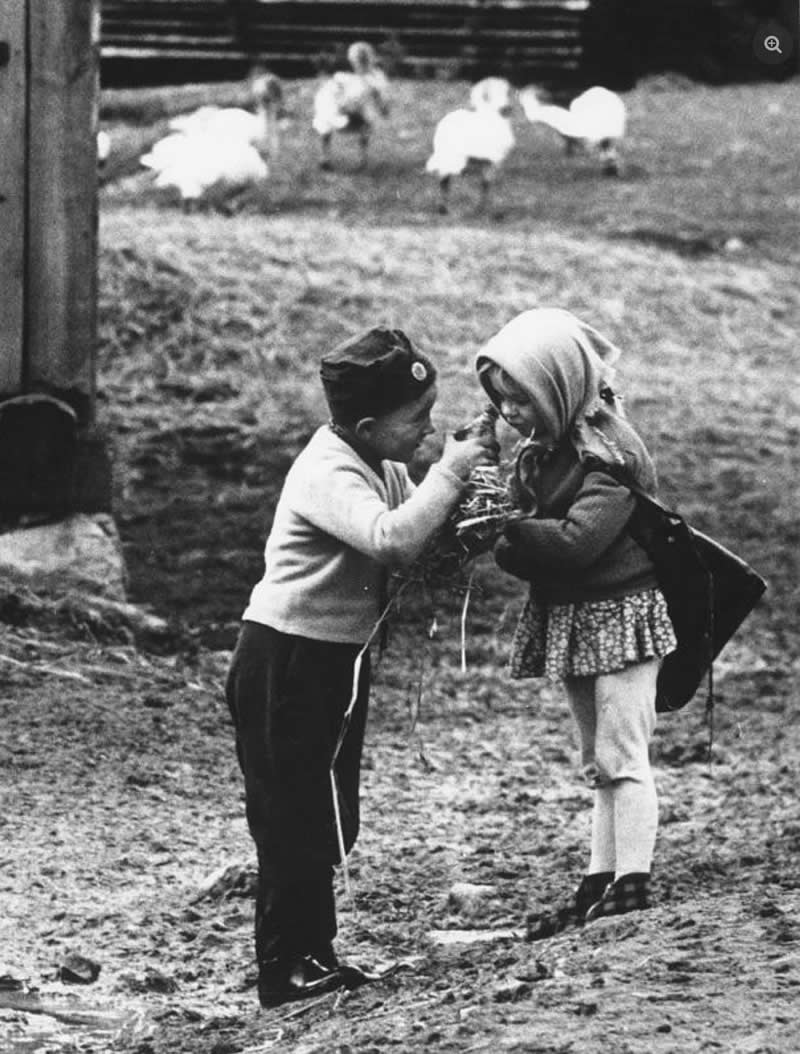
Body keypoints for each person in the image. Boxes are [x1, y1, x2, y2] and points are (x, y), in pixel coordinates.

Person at [225, 325, 496, 1007]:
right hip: (285, 657)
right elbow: (393, 539)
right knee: (290, 813)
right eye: (418, 421)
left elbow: (423, 539)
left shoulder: (381, 463)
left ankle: (315, 953)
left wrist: (475, 518)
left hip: (335, 661)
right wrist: (453, 475)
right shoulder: (327, 469)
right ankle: (284, 967)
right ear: (369, 424)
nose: (427, 433)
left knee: (328, 811)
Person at [475, 307, 677, 933]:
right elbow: (527, 551)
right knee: (597, 755)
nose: (512, 416)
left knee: (624, 751)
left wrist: (505, 527)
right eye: (503, 403)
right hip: (578, 616)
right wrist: (512, 532)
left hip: (623, 616)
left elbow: (573, 544)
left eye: (523, 402)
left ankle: (633, 880)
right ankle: (601, 876)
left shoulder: (608, 456)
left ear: (559, 388)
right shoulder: (543, 455)